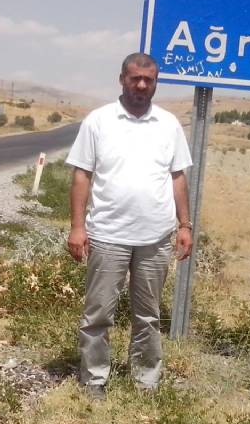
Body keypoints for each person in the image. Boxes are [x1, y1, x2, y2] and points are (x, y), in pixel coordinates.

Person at [65, 52, 193, 399]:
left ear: (156, 82)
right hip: (107, 235)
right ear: (122, 78)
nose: (141, 85)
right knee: (98, 314)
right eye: (134, 78)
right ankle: (94, 380)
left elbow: (178, 176)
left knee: (148, 316)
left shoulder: (168, 124)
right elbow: (82, 175)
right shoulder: (99, 121)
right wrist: (78, 227)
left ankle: (146, 381)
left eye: (148, 79)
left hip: (155, 238)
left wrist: (185, 225)